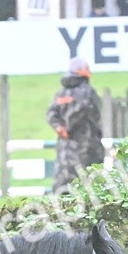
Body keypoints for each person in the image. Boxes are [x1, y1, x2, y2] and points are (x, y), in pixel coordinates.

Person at [47, 57, 105, 193]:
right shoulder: (87, 91)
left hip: (64, 150)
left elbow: (51, 114)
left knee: (62, 187)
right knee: (88, 187)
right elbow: (87, 110)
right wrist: (69, 126)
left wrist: (60, 128)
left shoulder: (61, 93)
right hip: (87, 148)